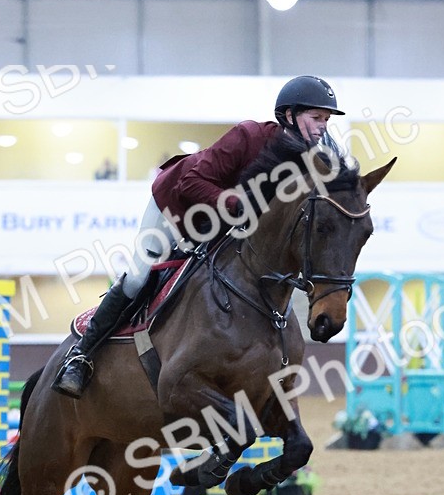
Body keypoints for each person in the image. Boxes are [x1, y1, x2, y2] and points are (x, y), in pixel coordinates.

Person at [51, 75, 345, 398]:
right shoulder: (248, 136)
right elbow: (191, 182)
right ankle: (80, 357)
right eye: (316, 118)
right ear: (289, 115)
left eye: (326, 120)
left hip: (225, 227)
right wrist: (238, 204)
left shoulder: (311, 157)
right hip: (177, 207)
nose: (323, 126)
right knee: (138, 279)